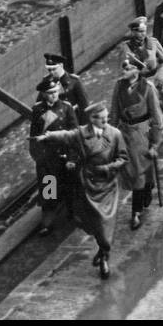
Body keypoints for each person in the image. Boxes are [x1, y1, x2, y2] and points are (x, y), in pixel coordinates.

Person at [32, 100, 128, 279]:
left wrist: (108, 168)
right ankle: (102, 248)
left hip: (107, 185)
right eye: (101, 119)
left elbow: (123, 158)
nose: (105, 122)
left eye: (106, 118)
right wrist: (48, 136)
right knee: (94, 222)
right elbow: (66, 135)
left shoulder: (115, 134)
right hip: (89, 184)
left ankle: (104, 254)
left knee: (105, 223)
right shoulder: (82, 134)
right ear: (92, 119)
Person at [109, 55, 163, 230]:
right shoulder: (119, 86)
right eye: (123, 69)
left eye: (127, 69)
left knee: (139, 171)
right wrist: (110, 135)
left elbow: (157, 118)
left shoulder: (147, 88)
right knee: (133, 172)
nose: (123, 72)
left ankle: (136, 211)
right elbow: (114, 112)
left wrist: (155, 143)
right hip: (125, 133)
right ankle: (145, 191)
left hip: (142, 133)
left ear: (136, 71)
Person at [28, 76, 78, 234]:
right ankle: (47, 221)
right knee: (49, 190)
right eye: (50, 93)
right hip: (47, 158)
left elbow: (74, 135)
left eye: (56, 91)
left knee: (69, 187)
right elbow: (34, 136)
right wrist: (38, 157)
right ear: (43, 94)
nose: (54, 95)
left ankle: (73, 213)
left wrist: (72, 158)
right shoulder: (37, 110)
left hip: (64, 154)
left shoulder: (67, 108)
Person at [124, 15, 163, 108]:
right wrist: (138, 74)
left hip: (157, 82)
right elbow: (124, 70)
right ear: (133, 32)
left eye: (144, 30)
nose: (143, 34)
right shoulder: (127, 47)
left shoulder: (153, 42)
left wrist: (160, 77)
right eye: (140, 31)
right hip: (140, 85)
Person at [41, 52, 89, 122]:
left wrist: (83, 125)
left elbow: (84, 105)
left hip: (74, 119)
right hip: (55, 122)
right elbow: (41, 102)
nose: (51, 72)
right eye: (49, 70)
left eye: (54, 69)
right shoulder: (46, 81)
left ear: (61, 65)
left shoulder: (74, 81)